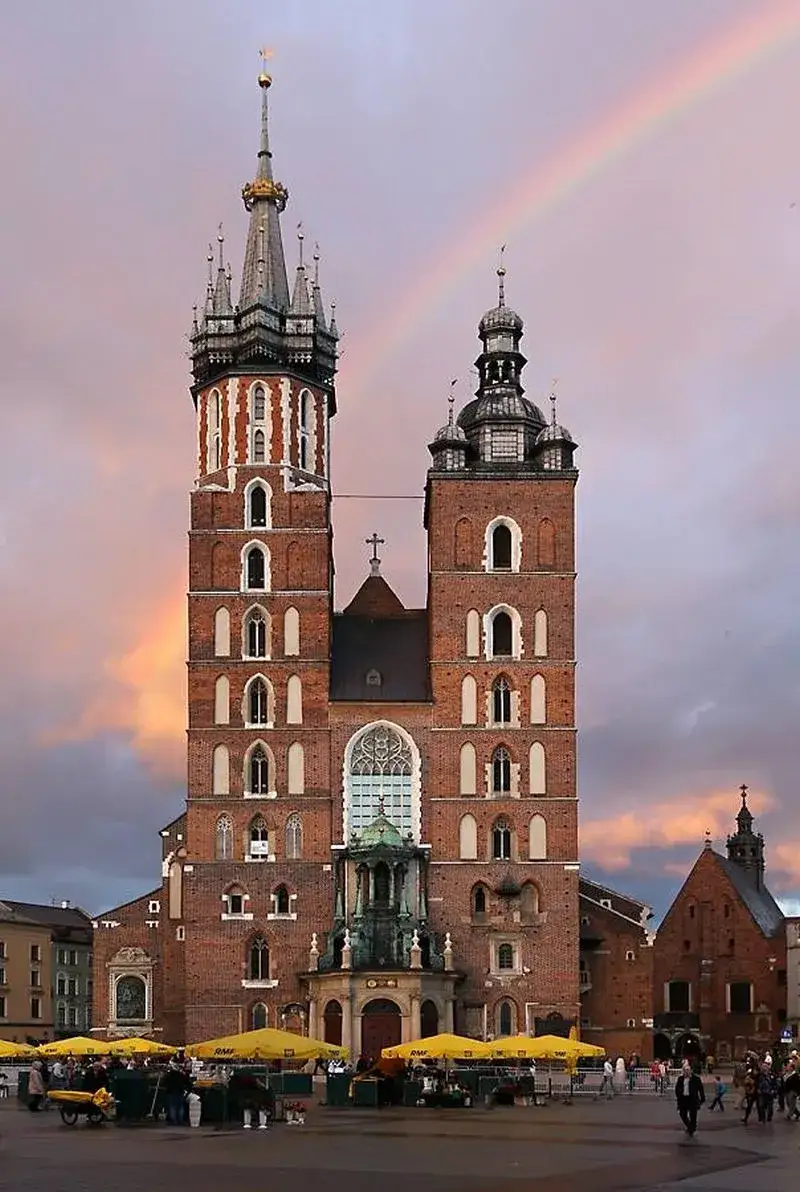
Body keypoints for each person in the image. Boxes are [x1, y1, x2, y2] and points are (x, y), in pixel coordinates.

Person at [675, 1065, 705, 1136]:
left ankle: (692, 1128)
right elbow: (677, 1088)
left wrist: (702, 1098)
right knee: (682, 1114)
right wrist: (679, 1095)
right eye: (685, 1070)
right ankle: (689, 1126)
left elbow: (700, 1088)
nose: (687, 1072)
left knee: (693, 1115)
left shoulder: (696, 1079)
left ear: (691, 1070)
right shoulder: (680, 1079)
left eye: (688, 1070)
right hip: (683, 1099)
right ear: (683, 1071)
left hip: (692, 1099)